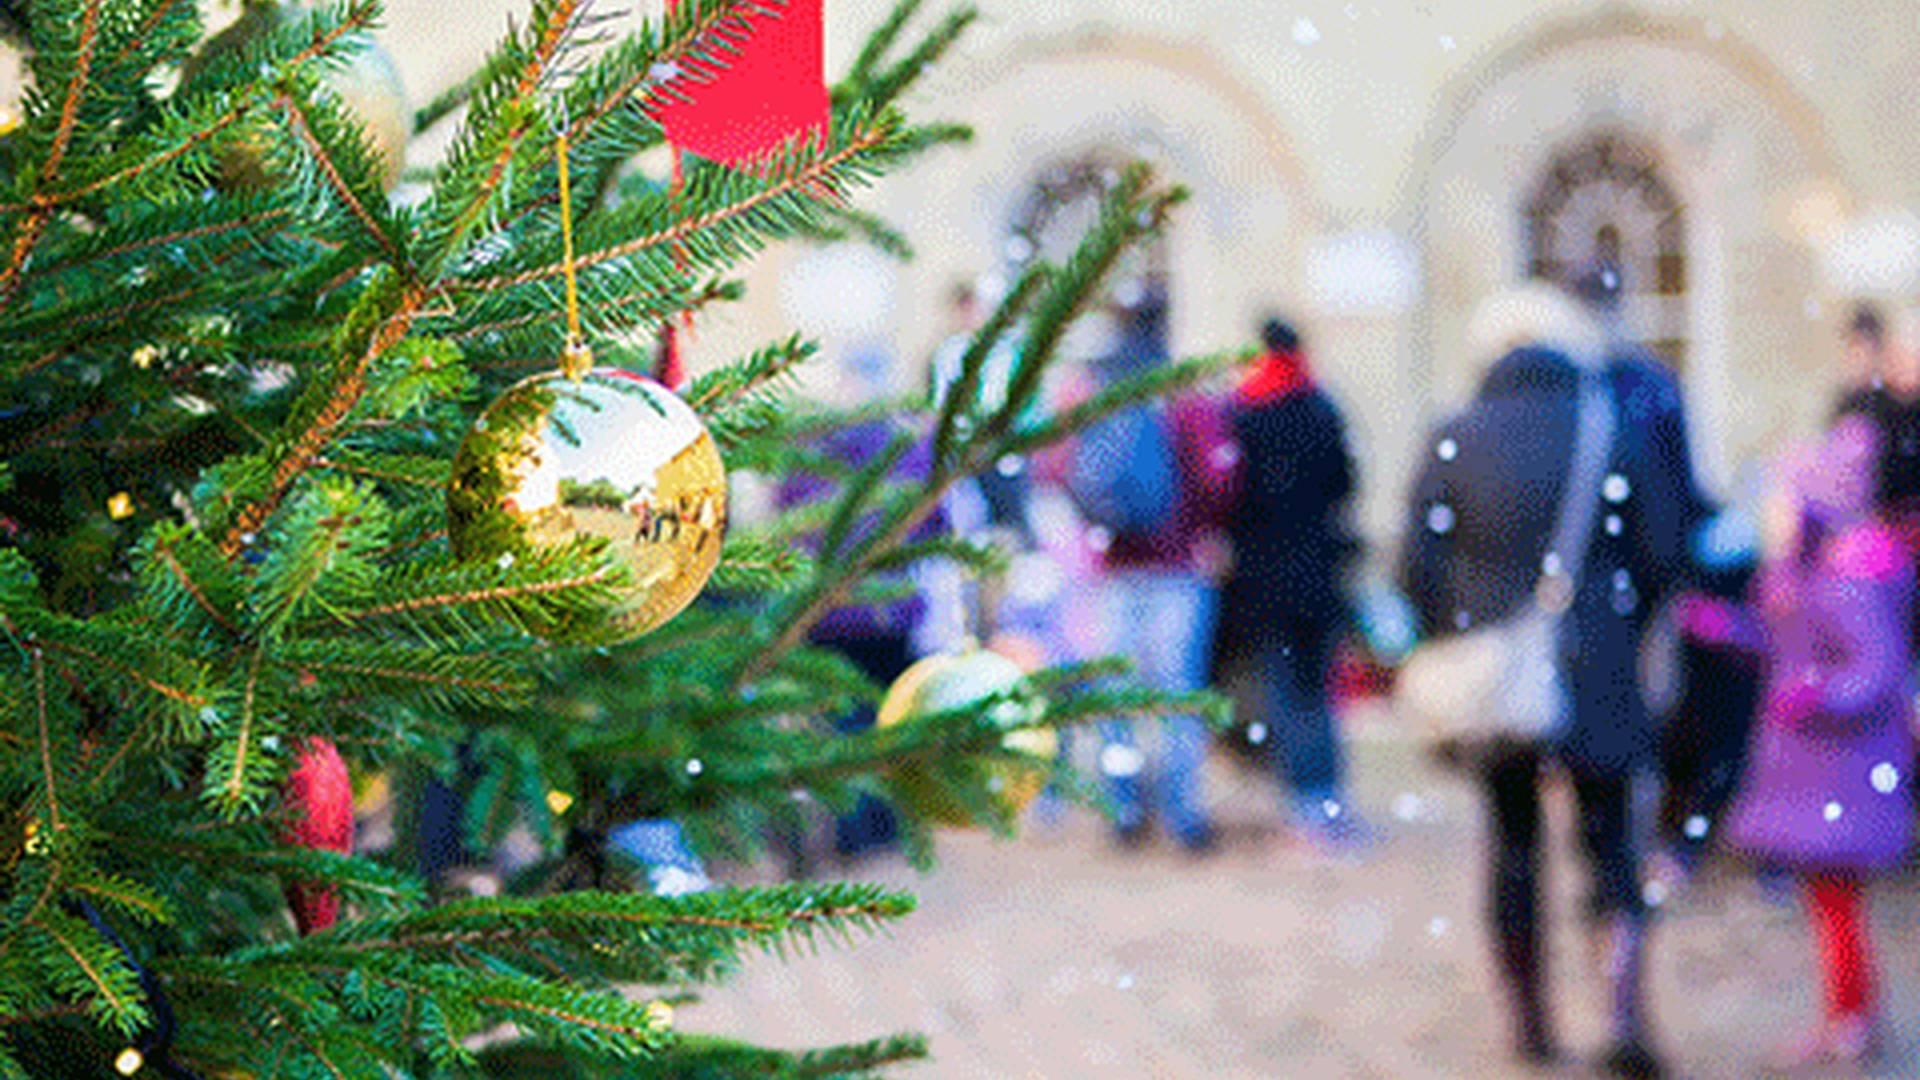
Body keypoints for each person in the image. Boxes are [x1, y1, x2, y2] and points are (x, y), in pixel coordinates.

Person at [1399, 283, 1689, 1077]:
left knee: (1514, 843)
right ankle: (1623, 1014)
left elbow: (1416, 566)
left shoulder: (1457, 434)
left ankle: (1529, 1023)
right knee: (1611, 845)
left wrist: (1460, 632)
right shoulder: (1612, 429)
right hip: (1598, 664)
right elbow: (1666, 552)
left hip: (1499, 678)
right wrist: (1619, 626)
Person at [1724, 416, 1913, 1069]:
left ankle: (1851, 1019)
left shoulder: (1846, 582)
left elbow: (1875, 670)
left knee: (1837, 906)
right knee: (1831, 905)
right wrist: (1728, 629)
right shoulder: (1803, 581)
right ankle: (1848, 1015)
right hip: (1818, 776)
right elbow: (1785, 647)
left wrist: (1819, 693)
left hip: (1843, 775)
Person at [1073, 285, 1237, 853]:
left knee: (1114, 696)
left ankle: (1122, 807)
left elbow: (1057, 466)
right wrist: (1200, 525)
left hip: (1111, 564)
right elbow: (1219, 476)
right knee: (1177, 696)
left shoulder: (1093, 385)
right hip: (1177, 567)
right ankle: (1182, 814)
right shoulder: (1183, 392)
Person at [1220, 316, 1364, 847]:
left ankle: (1303, 802)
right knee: (1319, 691)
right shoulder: (1321, 408)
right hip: (1318, 574)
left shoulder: (1242, 412)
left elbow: (1229, 494)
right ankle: (1326, 796)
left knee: (1284, 693)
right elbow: (1346, 484)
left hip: (1264, 580)